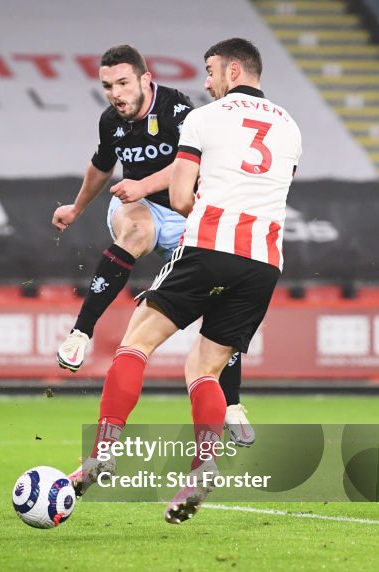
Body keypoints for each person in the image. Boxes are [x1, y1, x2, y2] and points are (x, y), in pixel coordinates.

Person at [69, 38, 301, 524]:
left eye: (211, 71)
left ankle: (103, 451)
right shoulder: (290, 125)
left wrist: (203, 213)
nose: (206, 81)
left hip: (210, 246)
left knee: (136, 343)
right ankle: (204, 465)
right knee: (204, 370)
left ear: (234, 70)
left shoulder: (203, 117)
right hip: (264, 261)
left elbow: (179, 196)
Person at [51, 44, 255, 446]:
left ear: (146, 79)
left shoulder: (178, 110)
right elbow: (101, 166)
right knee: (136, 233)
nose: (115, 93)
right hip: (139, 207)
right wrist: (76, 208)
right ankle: (80, 333)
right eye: (108, 85)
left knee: (217, 300)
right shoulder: (110, 121)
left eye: (123, 83)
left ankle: (231, 403)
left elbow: (187, 165)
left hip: (184, 211)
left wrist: (143, 183)